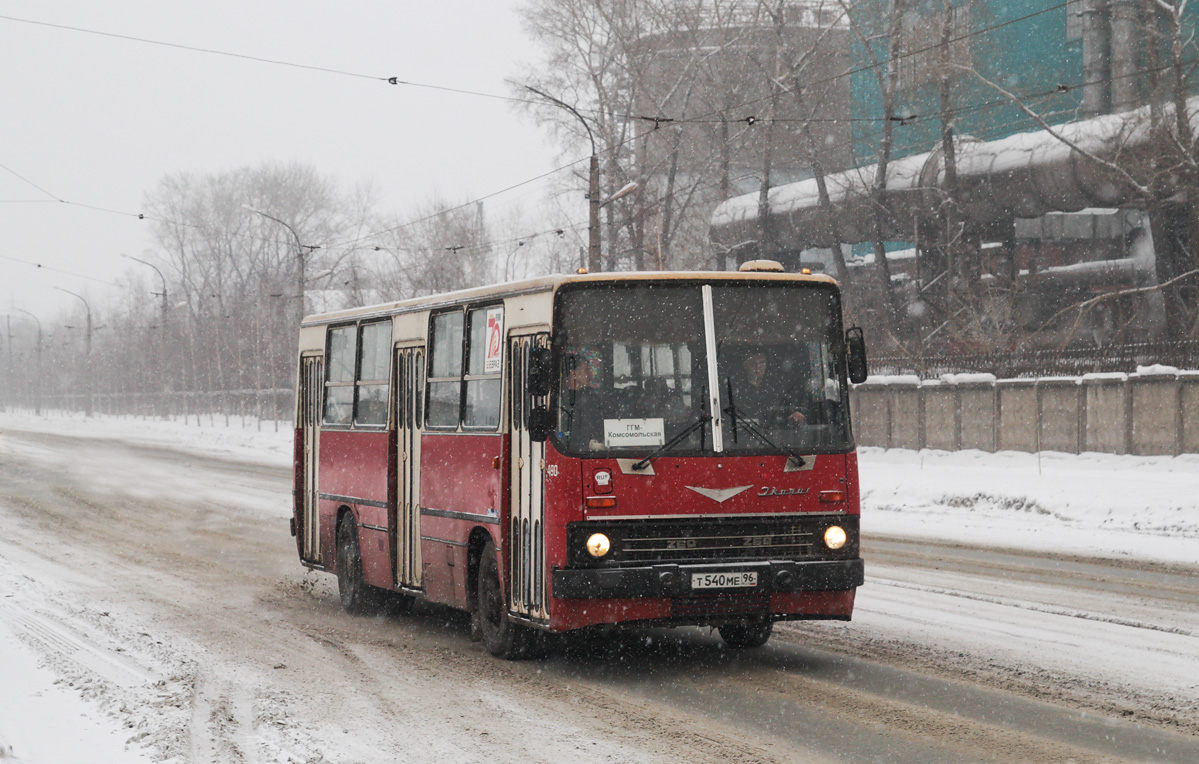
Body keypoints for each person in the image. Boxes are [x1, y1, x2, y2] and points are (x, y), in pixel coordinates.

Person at [734, 350, 806, 426]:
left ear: (766, 365)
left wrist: (795, 413)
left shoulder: (776, 387)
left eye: (762, 363)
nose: (757, 367)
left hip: (772, 432)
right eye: (752, 363)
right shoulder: (737, 388)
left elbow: (787, 407)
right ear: (745, 365)